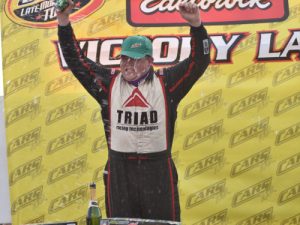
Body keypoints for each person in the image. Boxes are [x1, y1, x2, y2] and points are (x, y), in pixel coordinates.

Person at [57, 1, 210, 222]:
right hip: (120, 172)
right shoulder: (108, 85)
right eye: (124, 58)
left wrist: (196, 25)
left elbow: (200, 61)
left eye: (135, 59)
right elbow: (76, 61)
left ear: (149, 61)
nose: (128, 64)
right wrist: (63, 22)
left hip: (158, 170)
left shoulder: (167, 83)